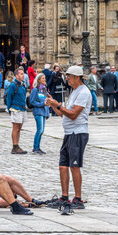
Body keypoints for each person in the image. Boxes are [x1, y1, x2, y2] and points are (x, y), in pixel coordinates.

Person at [46, 66, 92, 210]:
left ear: (77, 77)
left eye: (69, 76)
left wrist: (57, 105)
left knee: (74, 165)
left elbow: (73, 114)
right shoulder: (73, 92)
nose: (67, 79)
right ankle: (64, 196)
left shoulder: (84, 92)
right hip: (69, 132)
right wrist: (53, 105)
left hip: (78, 132)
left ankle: (77, 198)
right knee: (63, 164)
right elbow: (63, 114)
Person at [6, 68, 28, 154]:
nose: (23, 75)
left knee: (19, 128)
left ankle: (17, 145)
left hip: (22, 108)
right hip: (15, 108)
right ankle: (14, 146)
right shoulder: (13, 85)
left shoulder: (22, 85)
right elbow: (9, 97)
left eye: (23, 74)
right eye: (21, 74)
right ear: (17, 75)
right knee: (15, 128)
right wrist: (9, 109)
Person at [30, 73, 49, 154]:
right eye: (42, 78)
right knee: (39, 130)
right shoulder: (35, 90)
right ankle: (35, 147)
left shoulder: (44, 90)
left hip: (44, 112)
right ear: (39, 80)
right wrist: (42, 104)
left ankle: (38, 146)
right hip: (38, 112)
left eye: (45, 78)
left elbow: (47, 102)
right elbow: (32, 102)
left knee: (42, 131)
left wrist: (47, 113)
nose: (44, 80)